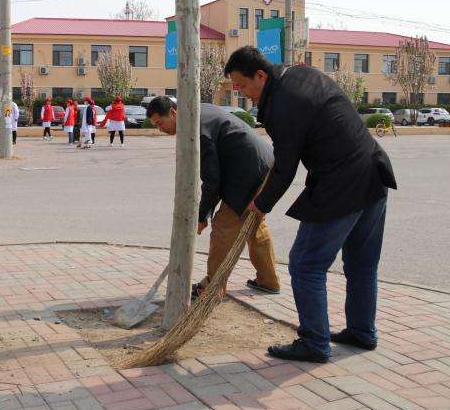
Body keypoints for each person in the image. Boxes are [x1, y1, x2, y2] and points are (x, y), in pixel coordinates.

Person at [225, 46, 397, 363]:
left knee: (305, 264)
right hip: (373, 171)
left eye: (242, 84)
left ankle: (314, 343)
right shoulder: (300, 73)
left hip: (343, 183)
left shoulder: (282, 104)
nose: (240, 92)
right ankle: (362, 332)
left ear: (260, 76)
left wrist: (260, 204)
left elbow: (285, 167)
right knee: (361, 263)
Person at [146, 96, 280, 302]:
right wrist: (203, 214)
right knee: (255, 226)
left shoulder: (198, 131)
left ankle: (212, 287)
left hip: (248, 174)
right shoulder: (199, 111)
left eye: (160, 123)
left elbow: (212, 181)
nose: (159, 129)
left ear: (173, 113)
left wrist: (202, 216)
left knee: (223, 228)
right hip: (264, 165)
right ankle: (268, 281)